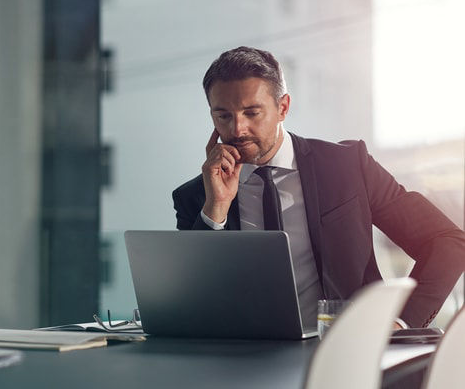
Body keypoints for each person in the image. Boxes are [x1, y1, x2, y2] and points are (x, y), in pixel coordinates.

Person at [172, 46, 465, 328]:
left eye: (251, 113)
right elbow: (191, 302)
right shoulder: (196, 197)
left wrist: (401, 323)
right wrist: (216, 210)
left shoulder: (348, 166)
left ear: (283, 107)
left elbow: (447, 242)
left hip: (344, 354)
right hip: (243, 364)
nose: (237, 129)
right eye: (223, 116)